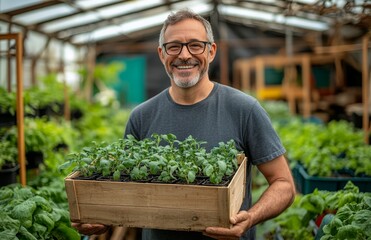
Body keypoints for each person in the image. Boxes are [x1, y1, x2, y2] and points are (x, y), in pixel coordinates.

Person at [73, 9, 295, 240]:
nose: (185, 55)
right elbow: (130, 190)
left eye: (196, 45)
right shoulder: (141, 116)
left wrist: (250, 217)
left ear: (211, 51)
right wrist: (103, 217)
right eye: (174, 46)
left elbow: (284, 184)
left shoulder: (244, 109)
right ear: (161, 54)